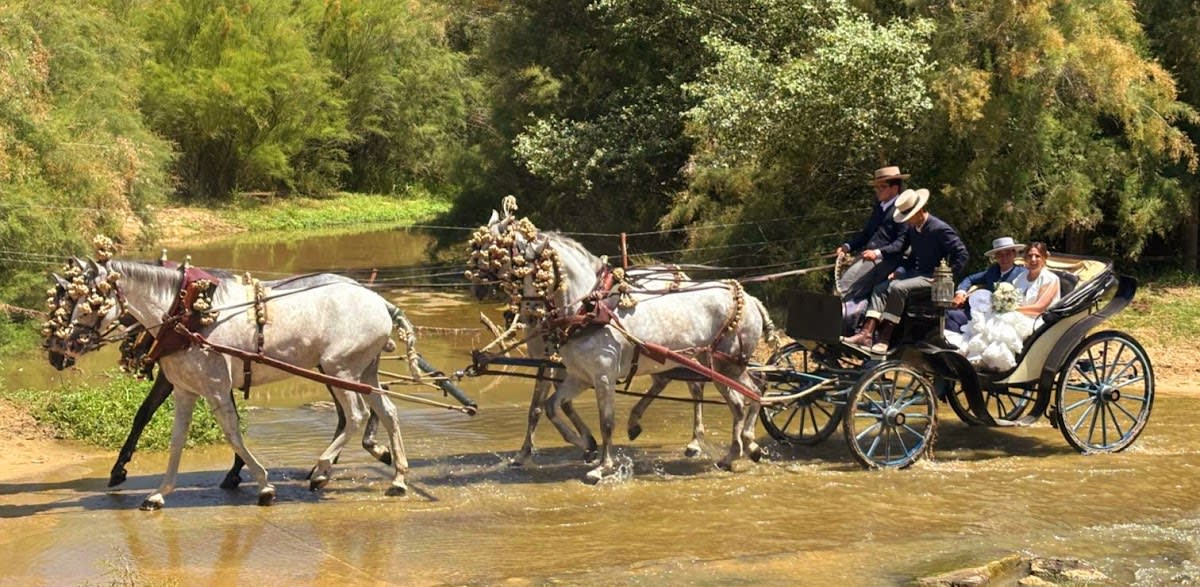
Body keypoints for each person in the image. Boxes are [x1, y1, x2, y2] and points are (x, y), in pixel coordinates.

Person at [842, 188, 969, 354]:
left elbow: (962, 254)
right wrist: (900, 271)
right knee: (881, 288)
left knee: (898, 288)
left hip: (934, 278)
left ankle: (884, 338)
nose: (907, 222)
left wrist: (945, 278)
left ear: (920, 211)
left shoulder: (940, 228)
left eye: (909, 218)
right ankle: (866, 333)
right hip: (916, 274)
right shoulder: (912, 229)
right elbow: (908, 254)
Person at [956, 242, 1062, 371]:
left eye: (1037, 256)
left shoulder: (1050, 279)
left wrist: (1010, 309)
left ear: (1044, 258)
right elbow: (1012, 298)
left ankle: (996, 362)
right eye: (1030, 256)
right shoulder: (1021, 277)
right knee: (987, 319)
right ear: (1025, 258)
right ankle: (973, 357)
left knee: (1003, 324)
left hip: (1037, 319)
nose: (1033, 260)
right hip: (1016, 314)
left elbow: (1039, 307)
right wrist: (1002, 305)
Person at [834, 166, 910, 302]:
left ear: (895, 188)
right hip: (868, 257)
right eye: (877, 187)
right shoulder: (879, 208)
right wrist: (848, 246)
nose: (878, 190)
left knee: (849, 288)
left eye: (882, 187)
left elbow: (901, 243)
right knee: (842, 285)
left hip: (887, 260)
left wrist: (877, 253)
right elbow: (866, 234)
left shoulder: (902, 209)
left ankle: (847, 317)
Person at [945, 236, 1028, 333]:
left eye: (1008, 253)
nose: (1004, 258)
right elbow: (970, 279)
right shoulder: (993, 271)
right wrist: (961, 293)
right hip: (979, 312)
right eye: (1000, 255)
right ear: (995, 257)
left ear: (1014, 254)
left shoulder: (1022, 273)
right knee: (948, 315)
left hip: (1002, 319)